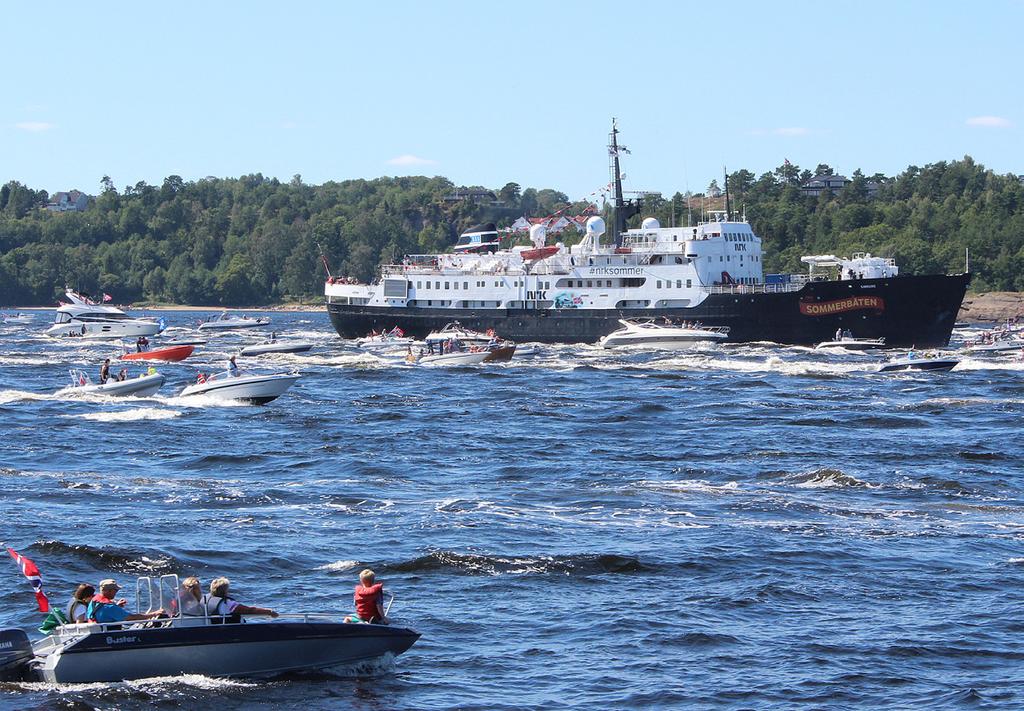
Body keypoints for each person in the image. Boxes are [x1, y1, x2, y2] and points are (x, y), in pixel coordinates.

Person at [201, 577, 278, 623]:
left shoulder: (204, 600)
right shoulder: (228, 603)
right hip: (229, 630)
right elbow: (249, 610)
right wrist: (269, 611)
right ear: (225, 590)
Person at [86, 579, 165, 623]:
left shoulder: (94, 601)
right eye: (115, 590)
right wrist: (154, 613)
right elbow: (131, 617)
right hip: (110, 635)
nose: (116, 592)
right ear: (109, 591)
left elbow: (103, 613)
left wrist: (117, 606)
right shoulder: (110, 607)